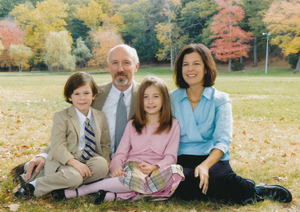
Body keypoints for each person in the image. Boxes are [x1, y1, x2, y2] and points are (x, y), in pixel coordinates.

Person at [170, 43, 292, 204]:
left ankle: (255, 190)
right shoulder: (171, 98)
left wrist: (205, 165)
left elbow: (223, 140)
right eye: (185, 64)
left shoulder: (220, 99)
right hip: (183, 156)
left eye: (196, 63)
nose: (190, 69)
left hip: (212, 157)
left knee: (217, 180)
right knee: (181, 187)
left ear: (206, 68)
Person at [12, 44, 140, 185]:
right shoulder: (94, 95)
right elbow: (70, 127)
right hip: (92, 158)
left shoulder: (147, 96)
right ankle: (44, 175)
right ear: (108, 66)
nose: (120, 69)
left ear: (136, 66)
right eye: (115, 63)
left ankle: (64, 179)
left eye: (126, 62)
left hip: (127, 159)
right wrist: (44, 155)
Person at [55, 76, 184, 203]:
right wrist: (116, 168)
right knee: (136, 179)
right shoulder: (133, 124)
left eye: (156, 96)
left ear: (164, 99)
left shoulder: (173, 125)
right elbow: (121, 152)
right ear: (140, 100)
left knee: (175, 171)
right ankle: (85, 190)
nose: (150, 101)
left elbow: (170, 156)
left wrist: (154, 167)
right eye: (145, 97)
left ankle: (113, 196)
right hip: (134, 168)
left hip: (158, 170)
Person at [14, 72, 111, 198]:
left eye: (86, 93)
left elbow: (105, 143)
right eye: (77, 94)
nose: (82, 98)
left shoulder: (100, 116)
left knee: (102, 166)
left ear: (94, 95)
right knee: (74, 177)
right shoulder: (62, 116)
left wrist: (107, 161)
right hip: (64, 159)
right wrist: (75, 163)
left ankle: (61, 183)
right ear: (69, 97)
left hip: (88, 158)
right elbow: (58, 146)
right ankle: (34, 185)